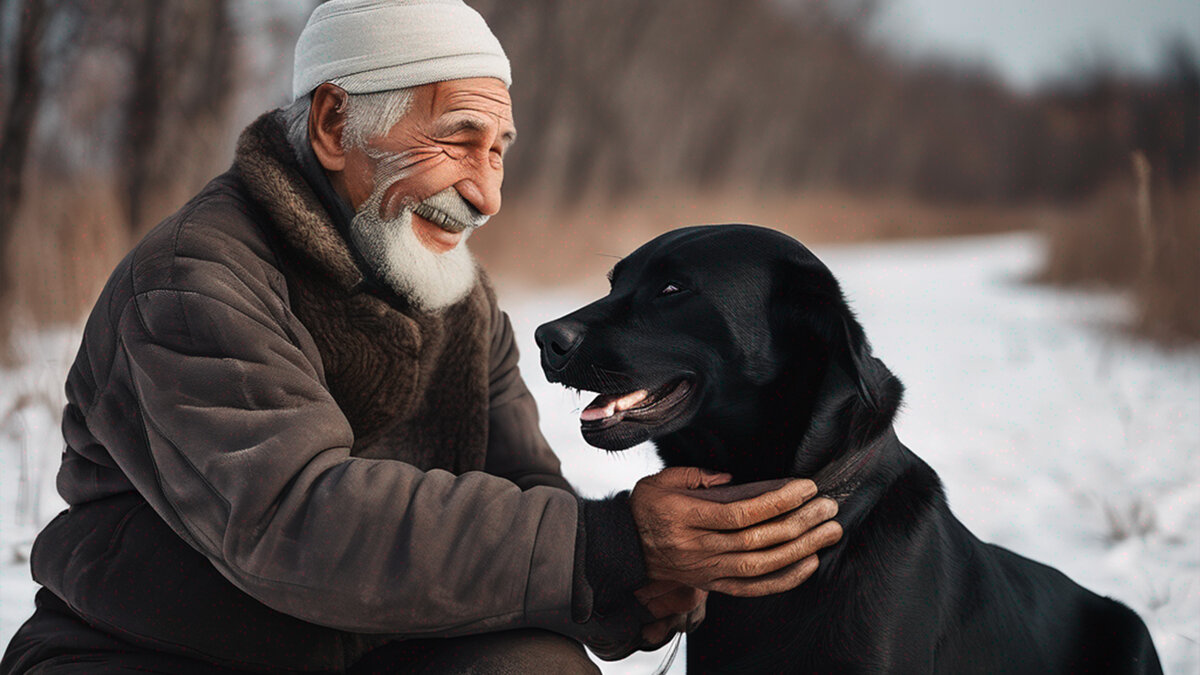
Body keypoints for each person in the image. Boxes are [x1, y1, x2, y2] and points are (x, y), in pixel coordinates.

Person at [0, 1, 843, 672]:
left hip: (384, 647)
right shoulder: (194, 279)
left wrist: (636, 585)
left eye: (499, 152)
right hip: (149, 653)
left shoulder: (457, 298)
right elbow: (294, 520)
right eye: (457, 140)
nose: (486, 194)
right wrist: (612, 545)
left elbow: (526, 492)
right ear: (334, 125)